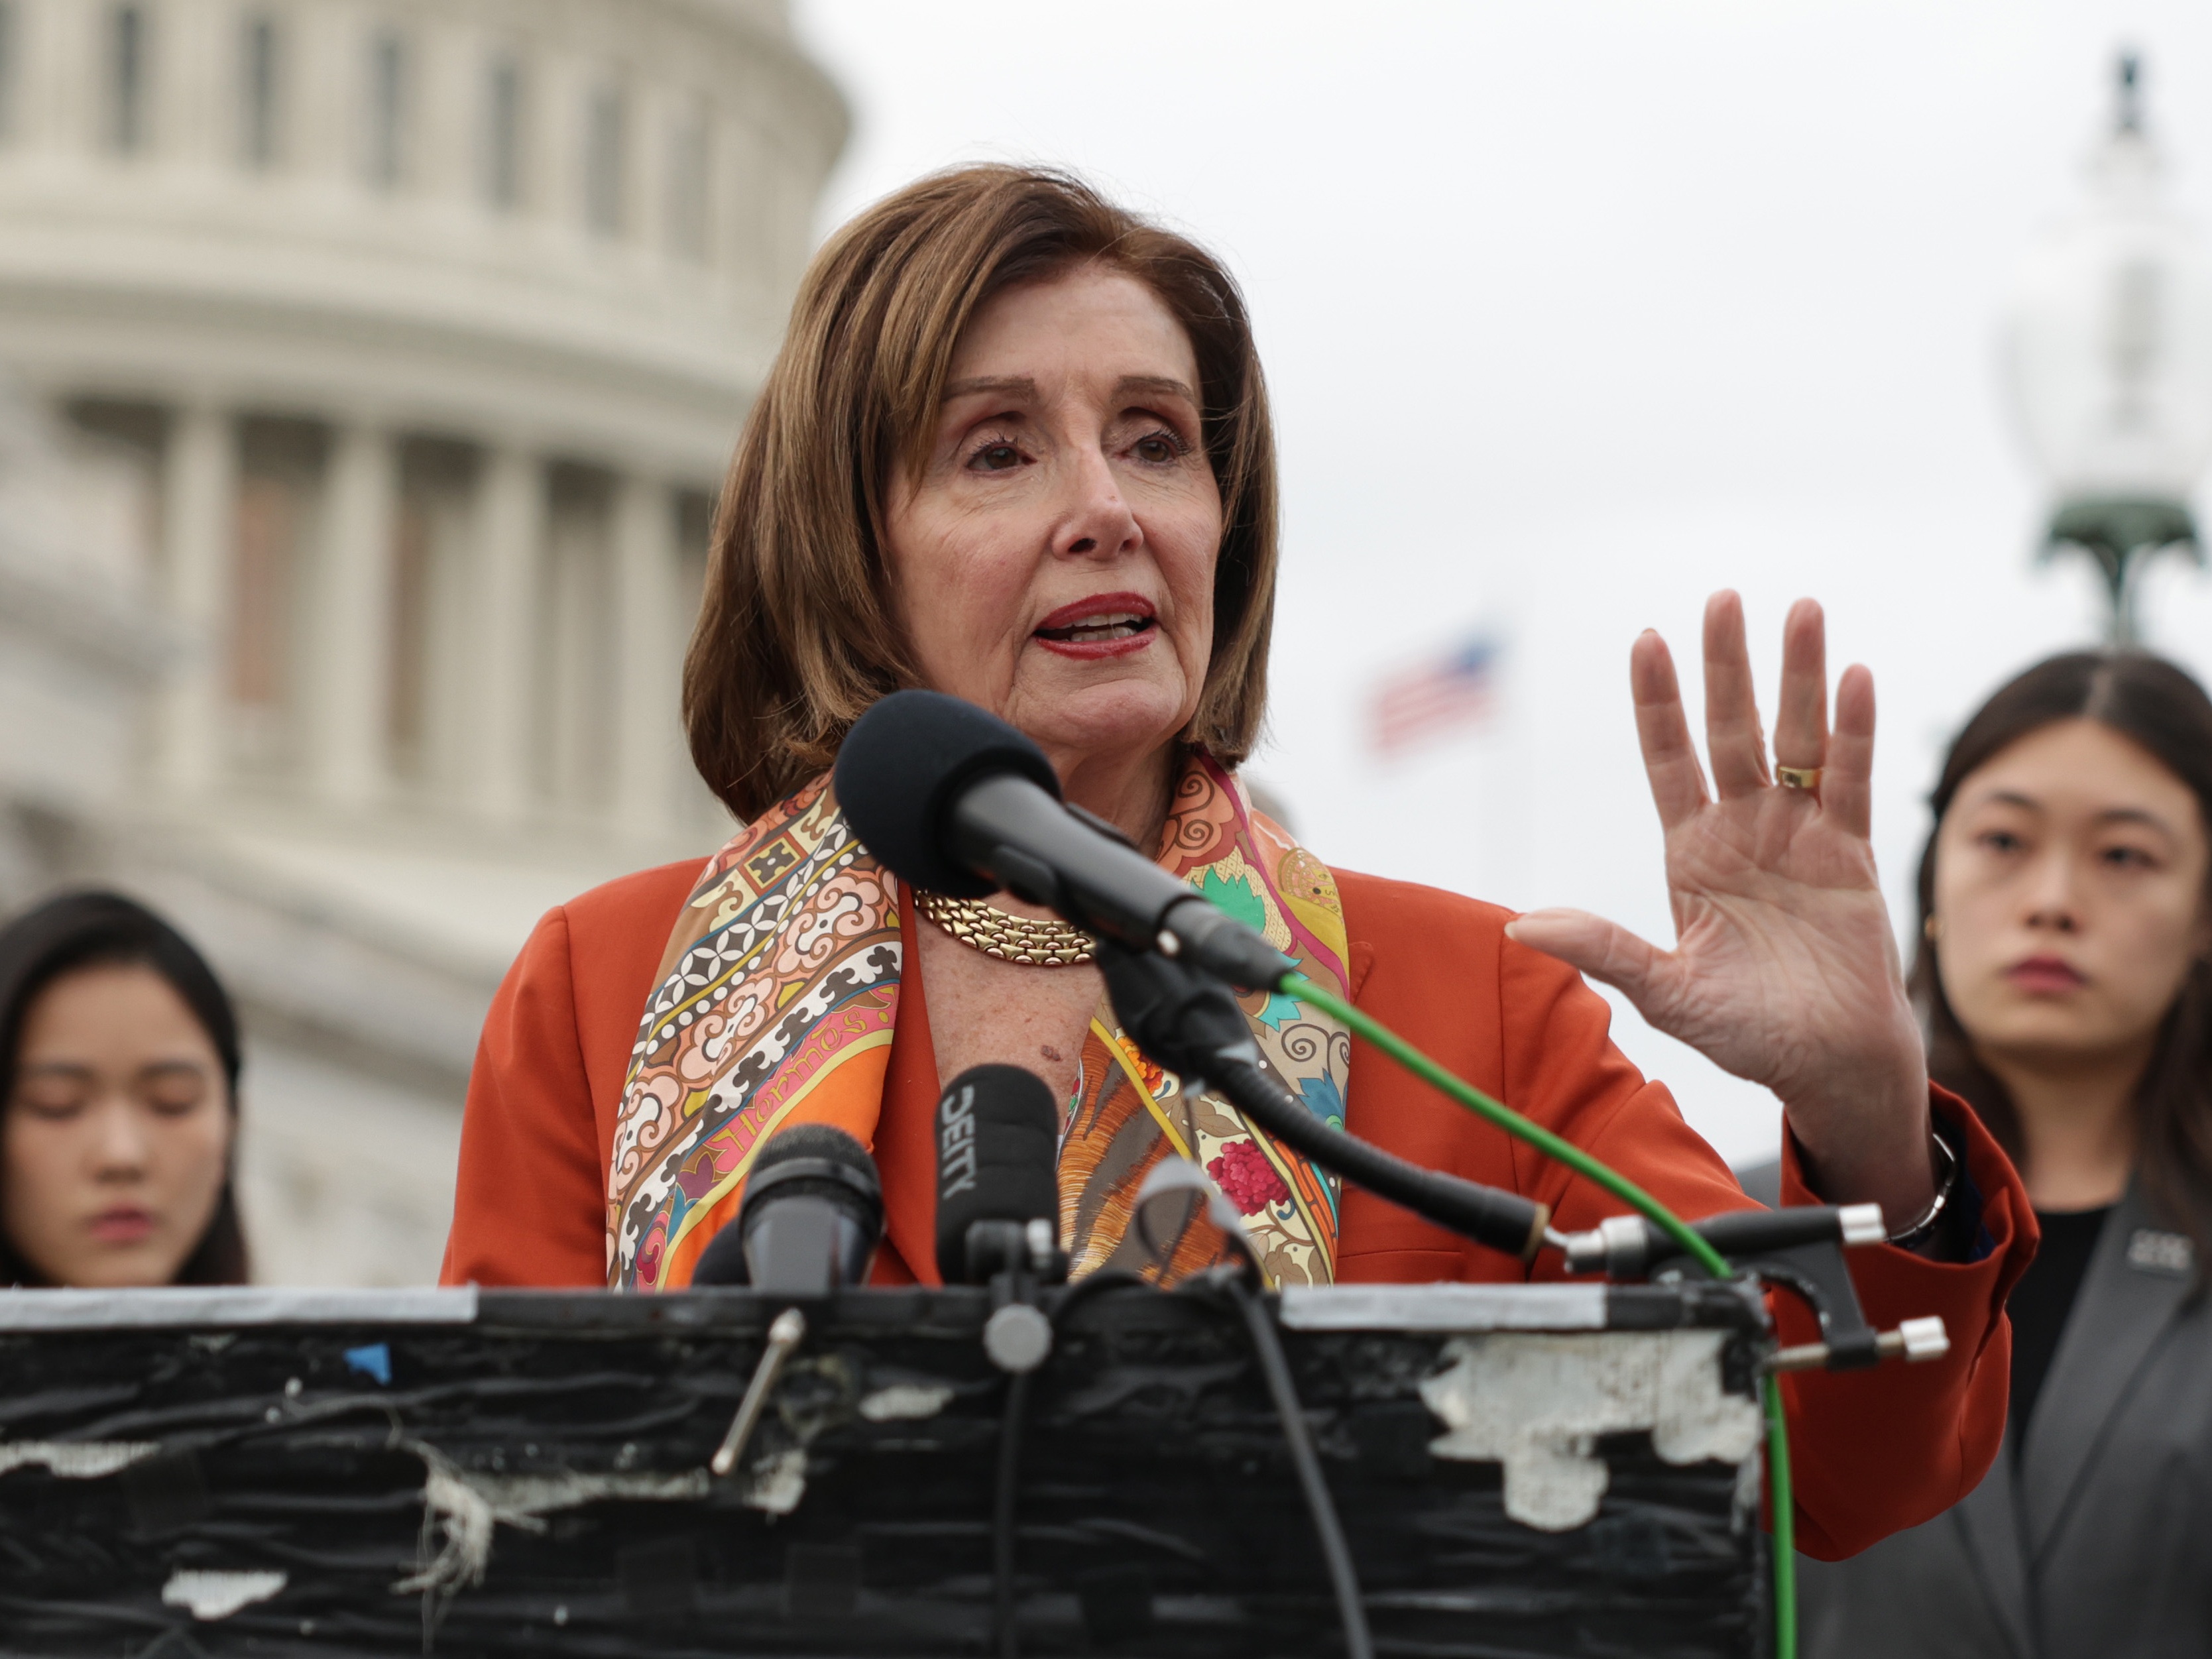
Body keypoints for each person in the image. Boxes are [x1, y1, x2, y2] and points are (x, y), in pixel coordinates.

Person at [442, 164, 2032, 1557]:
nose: (1105, 509)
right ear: (844, 543)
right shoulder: (608, 981)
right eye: (996, 450)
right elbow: (475, 1510)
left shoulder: (1458, 996)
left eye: (1153, 440)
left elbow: (1834, 1472)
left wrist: (1859, 1119)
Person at [1799, 651, 2212, 1658]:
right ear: (1931, 879)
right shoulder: (1750, 1219)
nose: (2053, 900)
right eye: (2002, 840)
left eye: (2124, 855)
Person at [0, 890, 249, 1287]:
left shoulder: (342, 1348)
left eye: (173, 1101)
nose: (122, 1155)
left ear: (231, 1123)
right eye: (57, 1103)